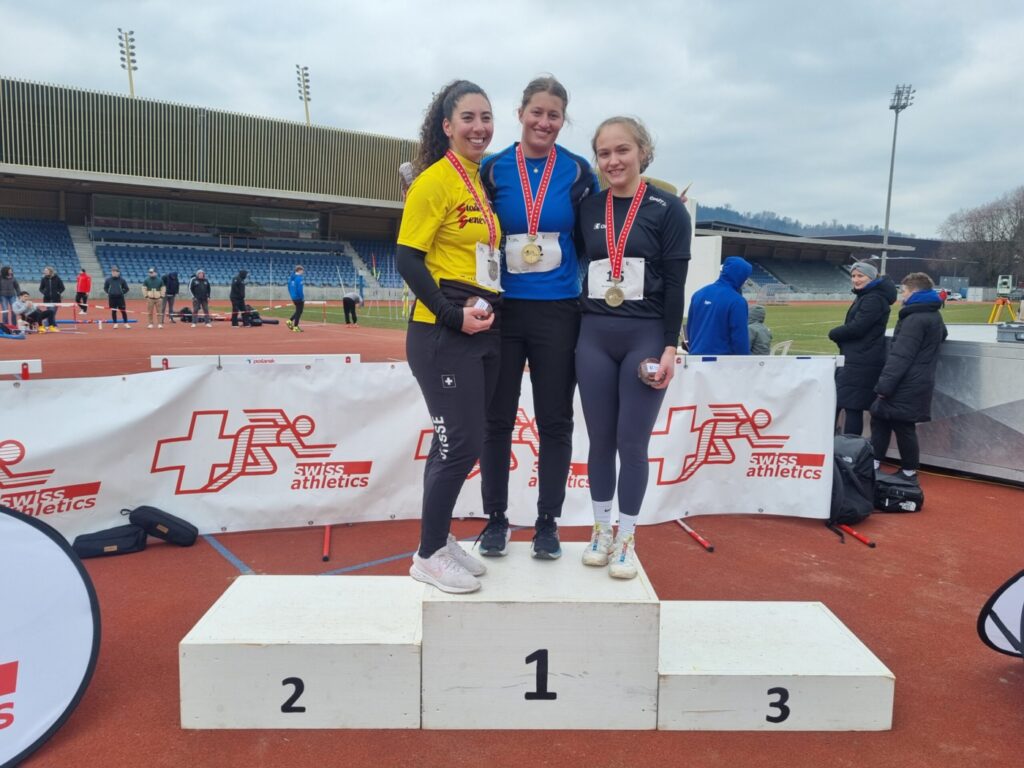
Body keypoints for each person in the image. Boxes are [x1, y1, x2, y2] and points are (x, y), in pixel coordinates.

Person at [477, 75, 599, 560]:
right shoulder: (493, 169)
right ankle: (495, 521)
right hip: (505, 310)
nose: (544, 122)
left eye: (554, 115)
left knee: (555, 420)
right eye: (537, 112)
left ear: (562, 120)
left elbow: (591, 237)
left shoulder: (576, 170)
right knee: (496, 420)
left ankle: (547, 523)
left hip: (558, 310)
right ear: (521, 113)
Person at [396, 79, 501, 593]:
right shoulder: (435, 180)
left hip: (476, 327)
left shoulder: (477, 181)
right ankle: (426, 555)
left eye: (486, 117)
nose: (479, 127)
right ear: (447, 126)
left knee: (463, 442)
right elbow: (406, 257)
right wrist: (449, 315)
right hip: (441, 333)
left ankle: (436, 539)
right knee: (457, 445)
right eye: (468, 118)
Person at [575, 116, 691, 579]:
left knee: (632, 443)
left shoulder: (667, 209)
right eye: (604, 153)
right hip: (593, 334)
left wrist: (669, 347)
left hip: (644, 335)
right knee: (600, 441)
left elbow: (678, 284)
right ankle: (601, 531)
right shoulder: (588, 207)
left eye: (622, 150)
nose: (613, 161)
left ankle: (627, 538)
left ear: (642, 151)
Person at [869, 272, 947, 481]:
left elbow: (901, 356)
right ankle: (886, 465)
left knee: (901, 425)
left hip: (906, 381)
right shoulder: (933, 314)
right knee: (883, 419)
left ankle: (907, 471)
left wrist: (884, 386)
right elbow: (943, 334)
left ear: (913, 292)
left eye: (903, 291)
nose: (901, 295)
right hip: (918, 379)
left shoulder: (915, 319)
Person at [827, 261, 897, 436]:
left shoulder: (873, 298)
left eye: (860, 276)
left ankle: (850, 452)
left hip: (862, 360)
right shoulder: (867, 295)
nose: (855, 280)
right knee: (844, 404)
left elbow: (859, 327)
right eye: (853, 276)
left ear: (871, 277)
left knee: (853, 407)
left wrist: (834, 333)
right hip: (857, 357)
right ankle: (838, 446)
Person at [686, 257, 752, 355]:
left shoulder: (698, 294)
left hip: (695, 360)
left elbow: (689, 328)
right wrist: (746, 362)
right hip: (721, 364)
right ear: (740, 276)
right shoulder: (737, 301)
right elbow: (740, 340)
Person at [287, 266, 305, 333]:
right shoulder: (299, 278)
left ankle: (290, 321)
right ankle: (295, 326)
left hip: (293, 297)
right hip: (298, 297)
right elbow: (299, 289)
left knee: (298, 311)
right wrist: (302, 297)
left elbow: (288, 287)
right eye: (302, 270)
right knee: (299, 312)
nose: (303, 272)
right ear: (299, 270)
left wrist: (292, 295)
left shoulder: (291, 278)